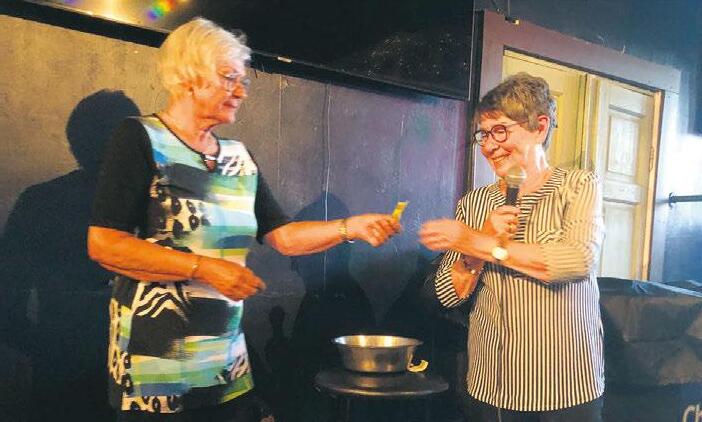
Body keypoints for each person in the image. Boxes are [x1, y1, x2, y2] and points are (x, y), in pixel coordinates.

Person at [87, 17, 400, 421]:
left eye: (243, 81)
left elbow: (283, 236)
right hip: (156, 368)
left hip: (226, 363)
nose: (240, 92)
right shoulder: (140, 139)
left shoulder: (238, 157)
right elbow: (104, 244)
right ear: (189, 77)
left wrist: (349, 227)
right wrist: (204, 268)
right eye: (229, 78)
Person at [419, 72, 605, 422]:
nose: (489, 146)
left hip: (567, 385)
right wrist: (475, 248)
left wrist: (480, 243)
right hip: (494, 387)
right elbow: (447, 294)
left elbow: (575, 260)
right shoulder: (474, 203)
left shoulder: (577, 186)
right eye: (483, 134)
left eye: (500, 131)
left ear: (540, 127)